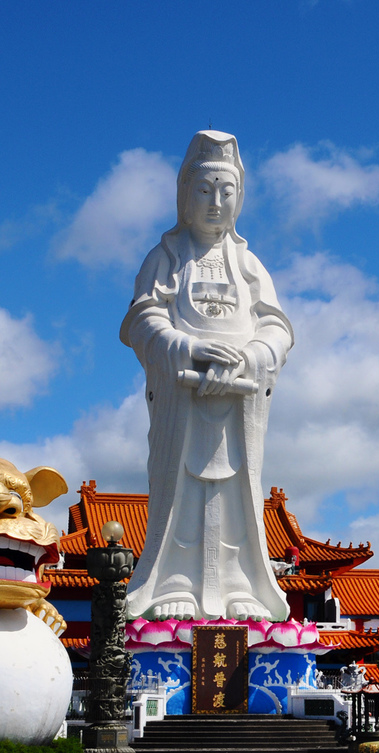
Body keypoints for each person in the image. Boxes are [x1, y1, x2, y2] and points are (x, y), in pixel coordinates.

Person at [121, 130, 294, 622]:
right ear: (184, 195)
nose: (216, 202)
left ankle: (240, 585)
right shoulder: (165, 258)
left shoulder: (248, 263)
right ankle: (176, 581)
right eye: (204, 190)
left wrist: (252, 357)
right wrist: (188, 347)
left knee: (239, 491)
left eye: (227, 191)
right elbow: (142, 320)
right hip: (184, 396)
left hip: (239, 403)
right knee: (181, 486)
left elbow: (278, 327)